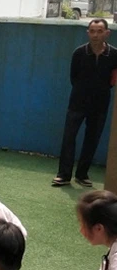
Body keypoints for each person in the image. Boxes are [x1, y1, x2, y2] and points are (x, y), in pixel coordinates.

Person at [52, 19, 117, 188]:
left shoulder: (114, 55)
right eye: (92, 31)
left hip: (101, 105)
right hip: (77, 104)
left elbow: (112, 80)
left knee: (92, 140)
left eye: (100, 31)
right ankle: (64, 175)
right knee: (69, 138)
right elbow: (73, 78)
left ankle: (82, 175)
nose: (96, 35)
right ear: (88, 33)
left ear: (107, 33)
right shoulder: (79, 53)